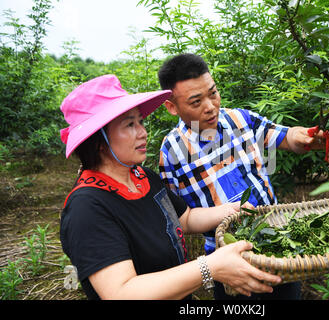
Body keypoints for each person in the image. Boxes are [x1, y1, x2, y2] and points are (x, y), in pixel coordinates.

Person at [58, 74, 282, 300]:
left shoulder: (143, 177)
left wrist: (233, 209)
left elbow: (184, 219)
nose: (143, 132)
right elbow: (121, 292)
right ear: (99, 142)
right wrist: (209, 267)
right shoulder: (87, 208)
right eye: (129, 124)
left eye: (140, 122)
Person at [157, 53, 329, 300]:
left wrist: (306, 138)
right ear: (172, 107)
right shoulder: (172, 152)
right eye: (196, 102)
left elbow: (284, 136)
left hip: (280, 248)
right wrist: (229, 212)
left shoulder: (240, 119)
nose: (210, 106)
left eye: (213, 93)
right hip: (229, 265)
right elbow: (181, 219)